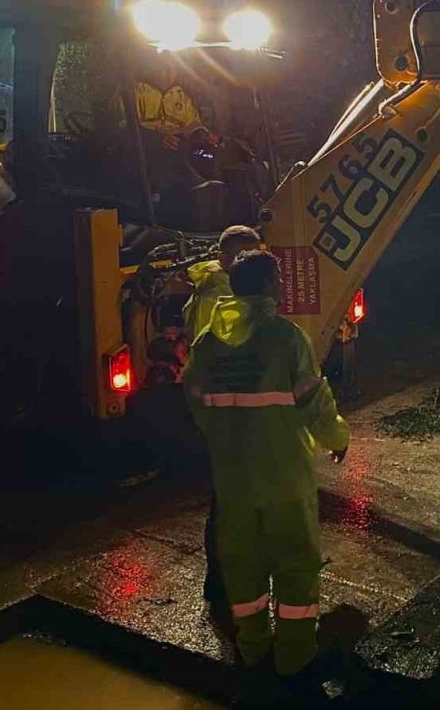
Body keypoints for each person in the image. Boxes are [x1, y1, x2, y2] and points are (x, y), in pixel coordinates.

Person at [182, 250, 349, 693]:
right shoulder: (286, 338)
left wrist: (227, 437)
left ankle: (253, 649)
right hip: (284, 478)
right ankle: (295, 659)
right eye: (278, 278)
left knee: (243, 570)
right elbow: (314, 402)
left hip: (233, 482)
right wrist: (338, 438)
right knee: (295, 567)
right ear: (271, 285)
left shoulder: (206, 345)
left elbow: (196, 405)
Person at [182, 225, 264, 606]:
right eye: (245, 256)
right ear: (225, 259)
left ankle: (226, 583)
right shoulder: (219, 300)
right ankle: (223, 586)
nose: (252, 263)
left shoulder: (227, 295)